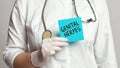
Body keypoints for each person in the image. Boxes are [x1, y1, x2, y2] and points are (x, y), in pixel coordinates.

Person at [3, 0, 118, 68]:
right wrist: (36, 58)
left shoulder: (95, 3)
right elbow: (10, 54)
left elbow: (106, 60)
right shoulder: (26, 3)